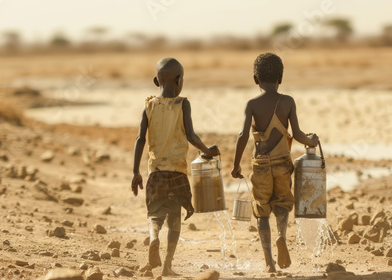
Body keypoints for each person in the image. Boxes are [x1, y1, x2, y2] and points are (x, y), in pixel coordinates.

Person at [231, 53, 318, 272]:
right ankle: (281, 235)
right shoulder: (287, 102)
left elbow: (242, 135)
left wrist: (235, 165)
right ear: (281, 77)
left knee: (261, 211)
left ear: (255, 79)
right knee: (282, 204)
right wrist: (311, 140)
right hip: (282, 164)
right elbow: (297, 134)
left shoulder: (252, 104)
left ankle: (269, 262)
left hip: (260, 165)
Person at [131, 57, 219, 276]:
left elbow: (140, 139)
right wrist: (207, 150)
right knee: (175, 217)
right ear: (179, 80)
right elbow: (190, 135)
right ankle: (168, 265)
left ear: (156, 81)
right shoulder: (183, 103)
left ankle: (153, 239)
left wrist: (135, 172)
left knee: (155, 214)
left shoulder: (149, 106)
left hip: (156, 173)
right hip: (178, 173)